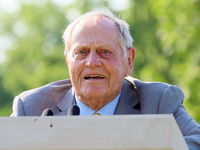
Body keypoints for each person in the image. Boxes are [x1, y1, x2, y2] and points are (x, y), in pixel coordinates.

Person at [10, 8, 200, 149]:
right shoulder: (31, 108)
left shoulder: (159, 101)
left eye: (105, 52)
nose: (92, 62)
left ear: (129, 60)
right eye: (82, 52)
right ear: (68, 61)